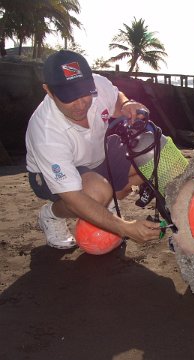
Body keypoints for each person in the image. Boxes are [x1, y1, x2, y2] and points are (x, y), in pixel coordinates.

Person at [26, 50, 161, 249]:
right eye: (69, 97)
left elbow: (116, 99)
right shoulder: (45, 132)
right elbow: (73, 197)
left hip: (98, 155)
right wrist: (125, 228)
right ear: (48, 90)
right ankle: (51, 215)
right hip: (51, 174)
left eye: (84, 93)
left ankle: (105, 204)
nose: (81, 104)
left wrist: (126, 104)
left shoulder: (98, 84)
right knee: (95, 192)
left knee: (152, 150)